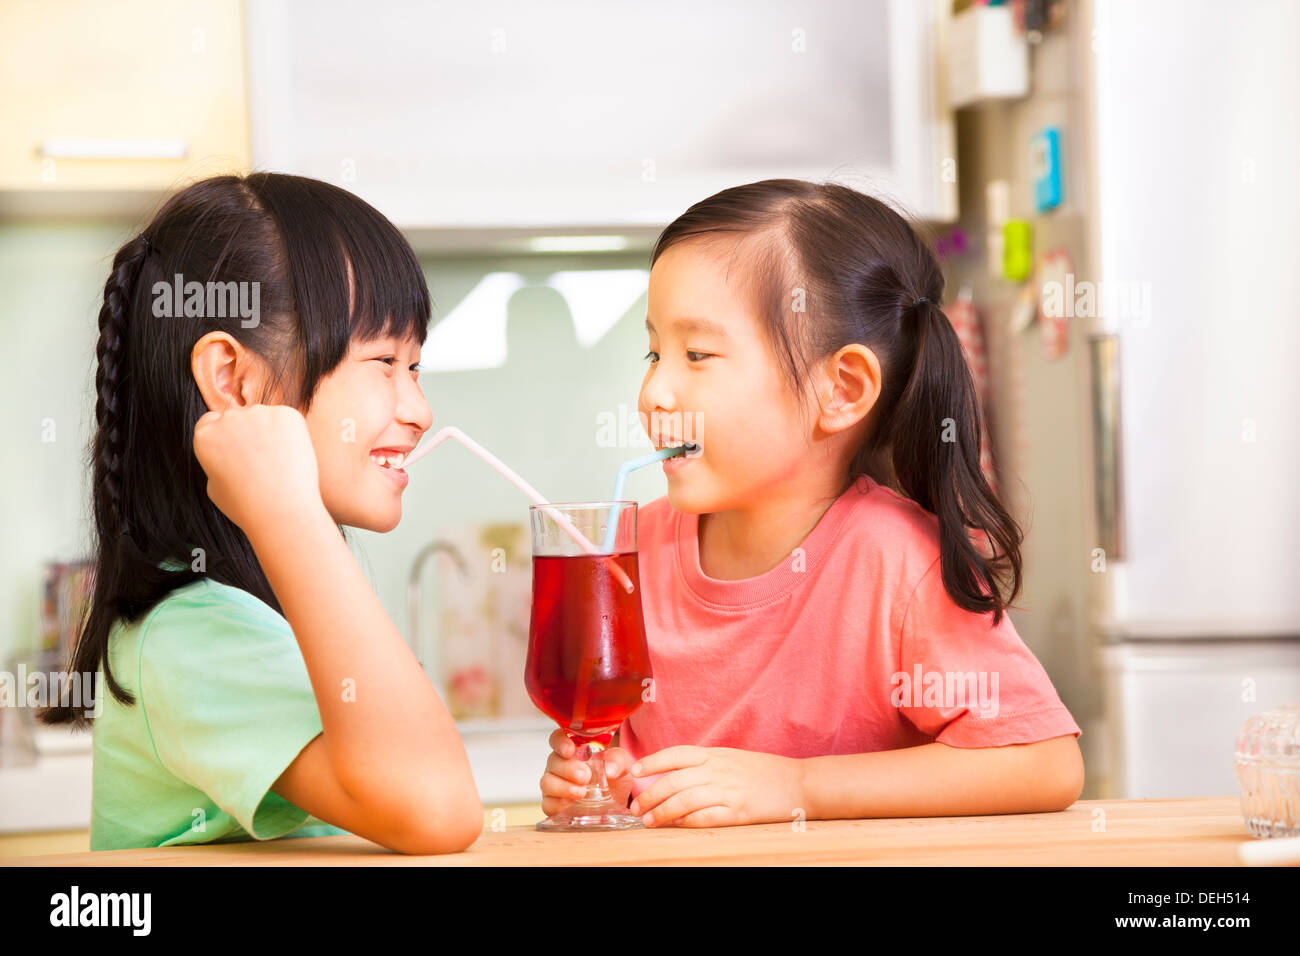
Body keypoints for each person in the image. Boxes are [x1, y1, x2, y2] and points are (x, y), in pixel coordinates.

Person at [541, 179, 1084, 827]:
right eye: (655, 351)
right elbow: (637, 768)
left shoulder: (898, 562)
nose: (654, 391)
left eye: (697, 354)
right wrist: (600, 777)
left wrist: (801, 786)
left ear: (842, 389)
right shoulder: (636, 553)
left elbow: (1042, 762)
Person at [39, 173, 481, 853]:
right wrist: (289, 513)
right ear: (233, 381)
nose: (418, 410)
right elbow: (437, 810)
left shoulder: (245, 614)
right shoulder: (191, 635)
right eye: (383, 360)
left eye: (415, 367)